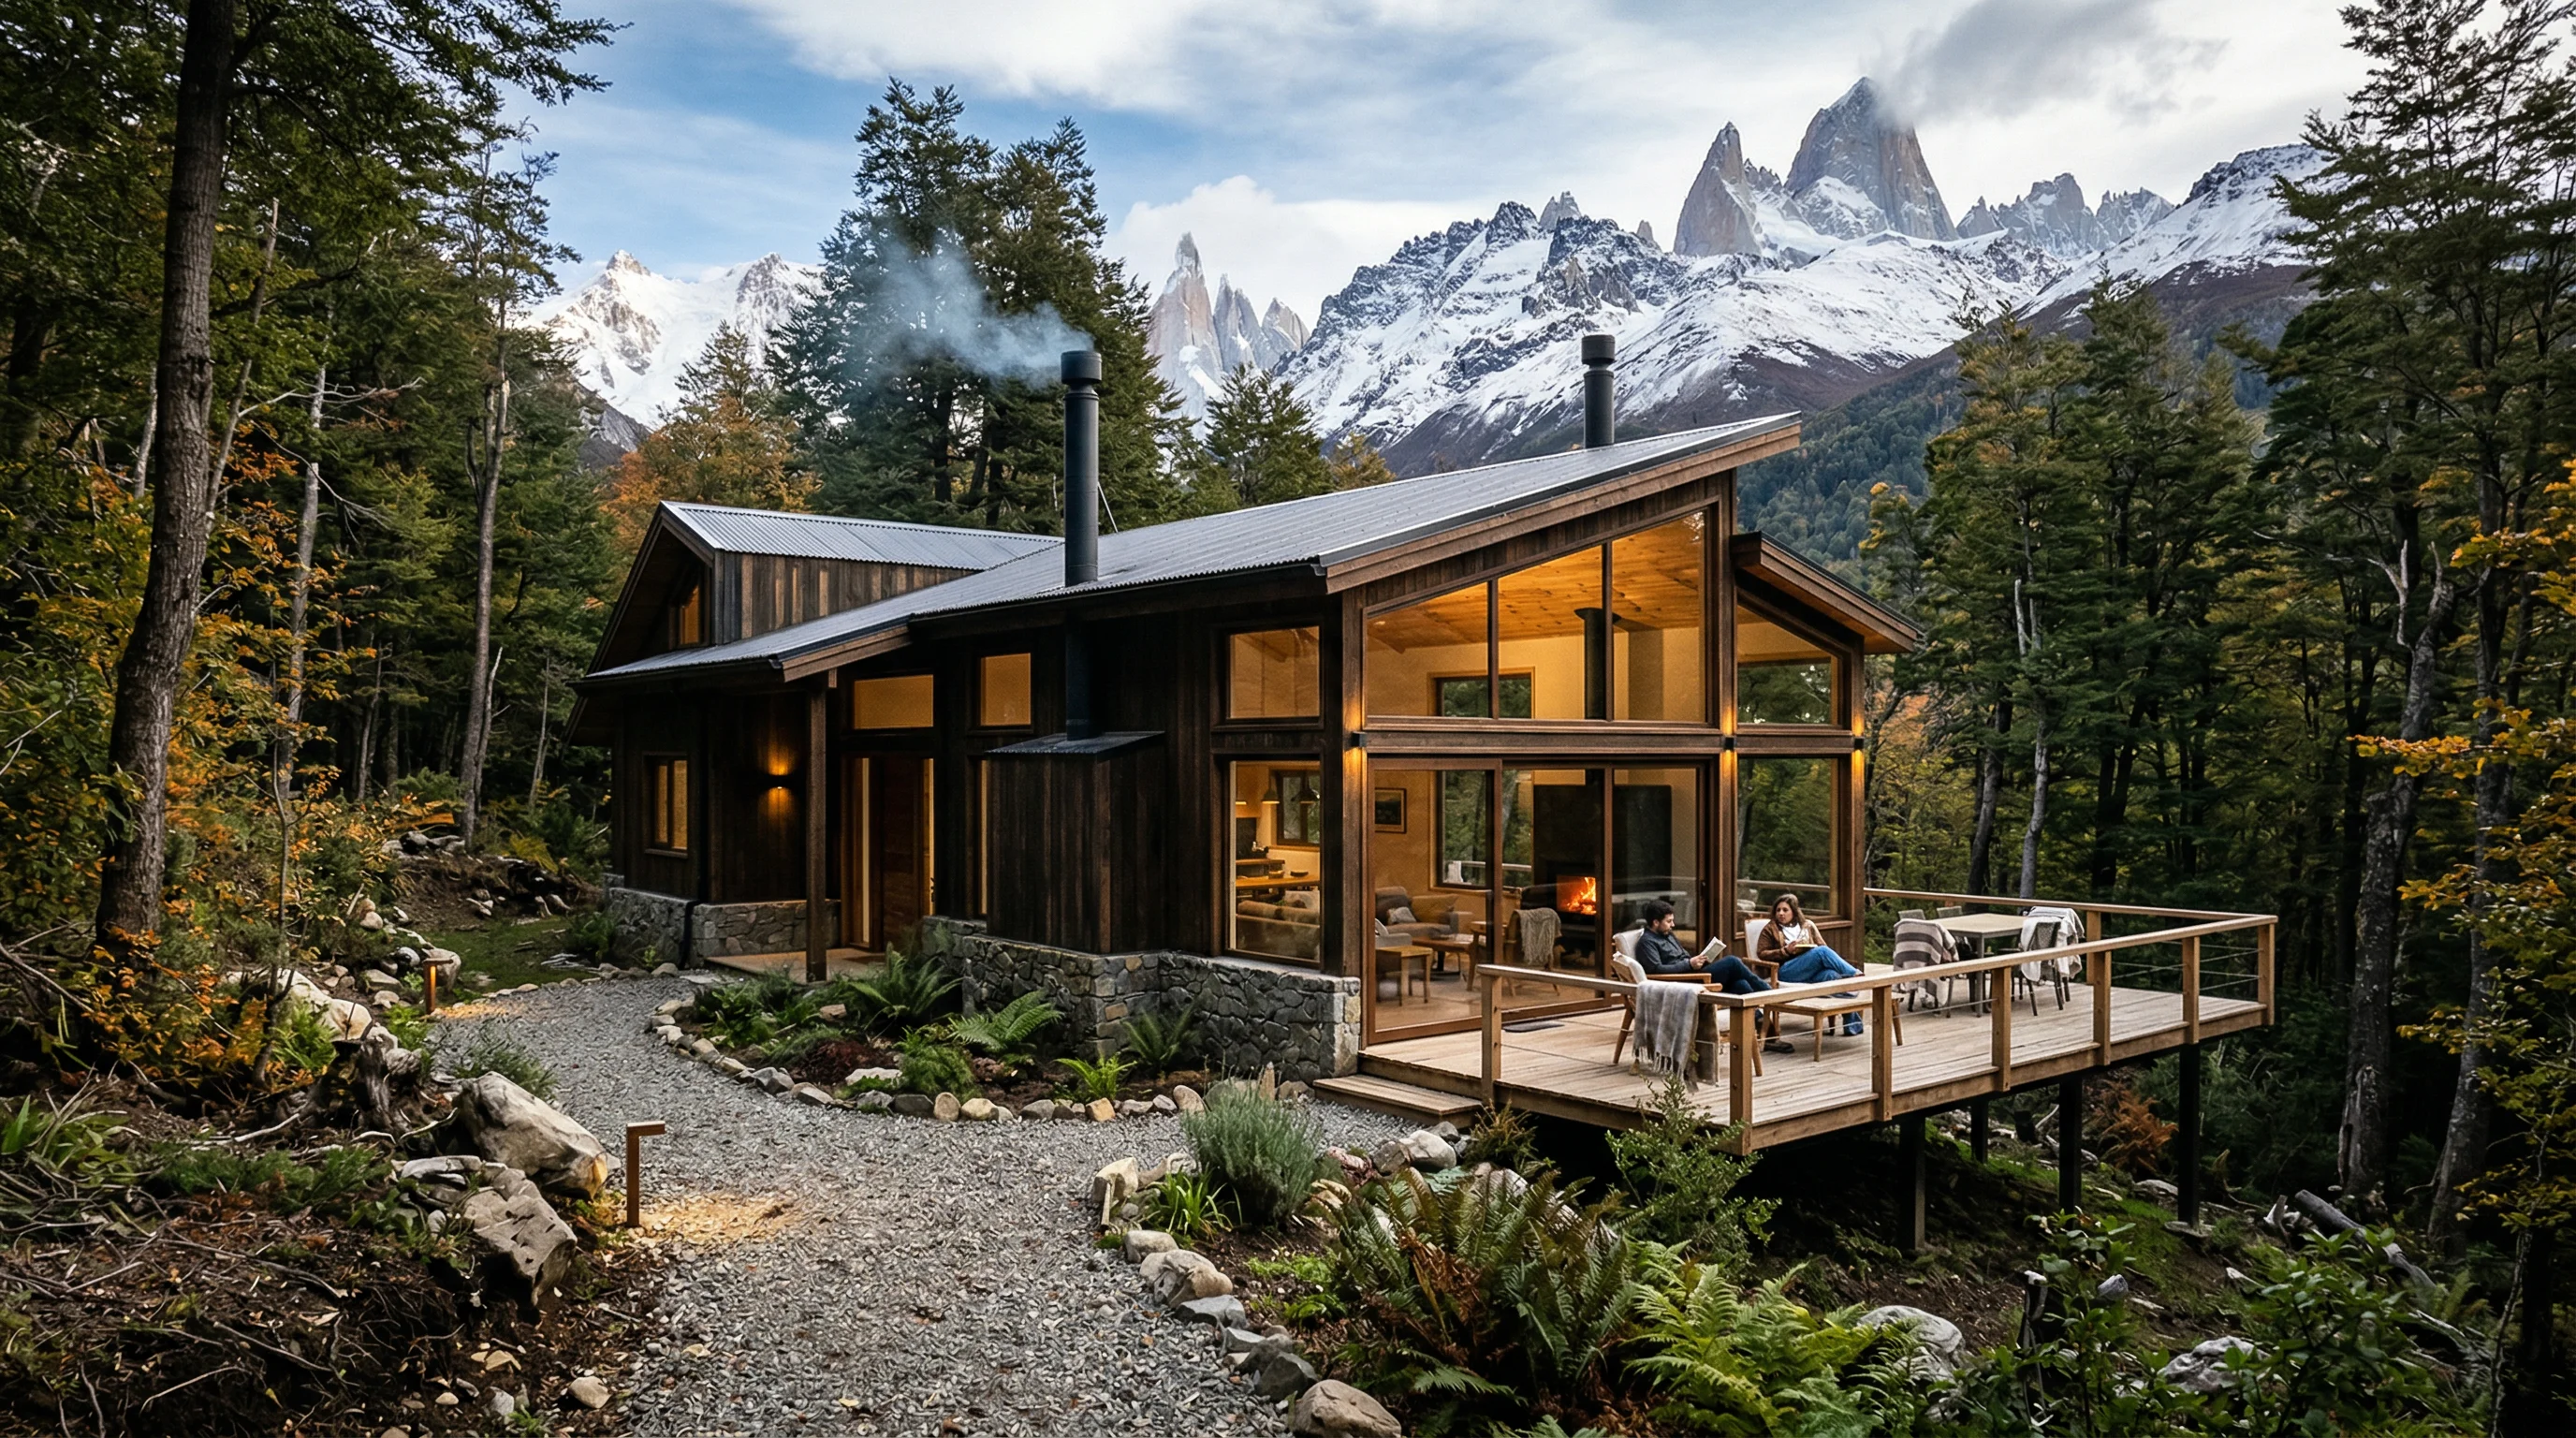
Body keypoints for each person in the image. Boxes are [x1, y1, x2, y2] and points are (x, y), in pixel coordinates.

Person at [1632, 900, 1793, 1052]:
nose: (1673, 925)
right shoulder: (1647, 943)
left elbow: (1683, 957)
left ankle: (1766, 1037)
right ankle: (1769, 993)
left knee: (1740, 984)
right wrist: (1689, 965)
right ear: (1655, 922)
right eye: (1669, 921)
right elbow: (1656, 971)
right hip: (1683, 984)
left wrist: (1699, 960)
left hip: (1693, 974)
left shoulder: (1668, 935)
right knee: (1732, 962)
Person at [1758, 894, 1864, 1035]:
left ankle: (1852, 1026)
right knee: (1821, 952)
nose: (1781, 913)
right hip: (1785, 971)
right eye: (1778, 910)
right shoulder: (1770, 929)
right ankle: (1854, 974)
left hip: (1809, 971)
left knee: (1832, 975)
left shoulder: (1807, 925)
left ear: (1794, 911)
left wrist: (1809, 951)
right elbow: (1762, 953)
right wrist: (1785, 951)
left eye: (1785, 910)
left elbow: (1822, 946)